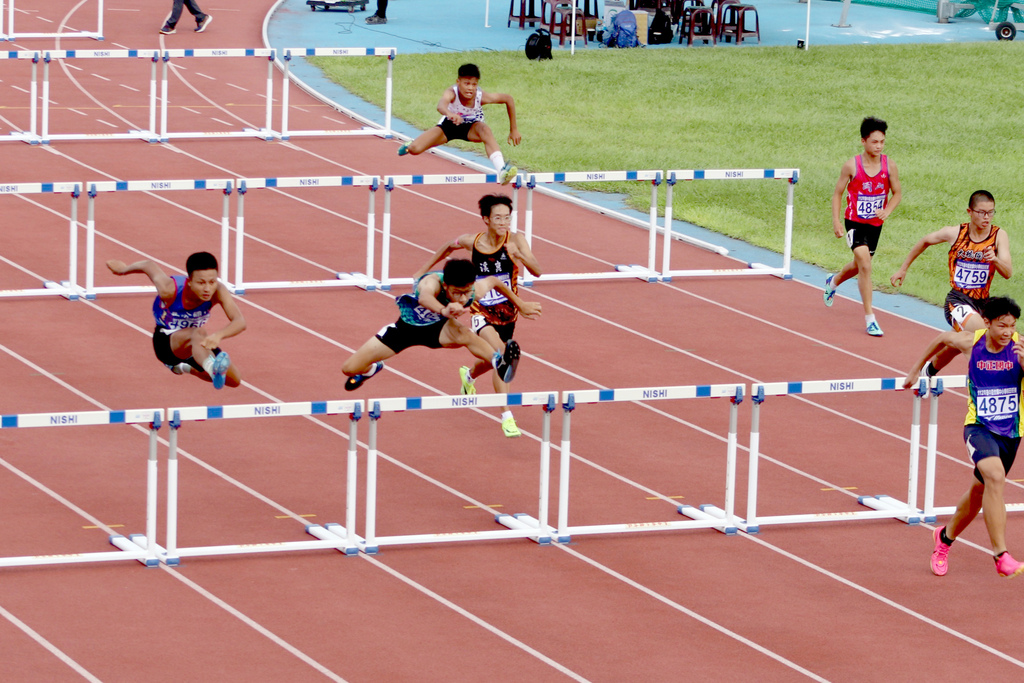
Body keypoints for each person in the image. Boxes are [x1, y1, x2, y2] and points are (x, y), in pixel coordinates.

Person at [902, 296, 1024, 578]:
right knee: (995, 477)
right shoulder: (972, 342)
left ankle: (944, 538)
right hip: (979, 427)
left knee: (978, 495)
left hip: (1011, 433)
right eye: (1002, 326)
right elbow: (942, 339)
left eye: (1012, 326)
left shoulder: (1019, 347)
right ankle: (1001, 556)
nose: (1008, 332)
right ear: (987, 322)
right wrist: (919, 371)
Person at [415, 194, 542, 437]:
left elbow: (538, 271)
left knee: (490, 360)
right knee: (502, 356)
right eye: (498, 218)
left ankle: (469, 374)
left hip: (508, 311)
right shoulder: (473, 242)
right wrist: (422, 270)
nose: (504, 222)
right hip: (480, 309)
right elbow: (449, 246)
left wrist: (518, 255)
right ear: (486, 219)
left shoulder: (516, 239)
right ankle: (507, 417)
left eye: (507, 217)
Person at [342, 258, 541, 392]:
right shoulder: (431, 282)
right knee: (349, 368)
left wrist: (520, 304)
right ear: (446, 286)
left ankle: (500, 362)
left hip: (438, 330)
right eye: (457, 292)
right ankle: (371, 369)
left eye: (467, 291)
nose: (463, 297)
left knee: (464, 333)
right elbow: (425, 297)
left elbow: (494, 281)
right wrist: (444, 310)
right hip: (406, 330)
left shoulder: (473, 290)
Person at [891, 190, 1011, 379]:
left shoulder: (998, 236)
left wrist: (995, 259)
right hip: (957, 301)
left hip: (982, 303)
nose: (986, 217)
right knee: (983, 335)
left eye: (990, 212)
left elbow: (1008, 273)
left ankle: (927, 373)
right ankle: (988, 380)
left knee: (956, 345)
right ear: (969, 212)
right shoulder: (955, 233)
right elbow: (925, 241)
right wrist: (903, 269)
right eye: (981, 212)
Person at [106, 252, 243, 389]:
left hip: (196, 345)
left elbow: (240, 321)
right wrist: (123, 270)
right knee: (198, 333)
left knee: (234, 380)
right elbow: (148, 265)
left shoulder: (218, 291)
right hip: (166, 343)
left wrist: (219, 335)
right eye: (201, 283)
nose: (207, 289)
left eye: (212, 282)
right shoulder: (169, 290)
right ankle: (212, 367)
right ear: (189, 281)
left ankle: (185, 367)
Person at [823, 116, 902, 337]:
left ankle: (834, 280)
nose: (879, 146)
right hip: (854, 222)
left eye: (882, 142)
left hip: (875, 225)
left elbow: (897, 193)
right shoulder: (852, 166)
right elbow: (838, 193)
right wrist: (837, 221)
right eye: (874, 142)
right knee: (865, 265)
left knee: (860, 266)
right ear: (863, 141)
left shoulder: (890, 166)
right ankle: (870, 319)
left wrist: (888, 210)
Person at [398, 63, 521, 186]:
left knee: (485, 130)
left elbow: (508, 99)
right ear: (458, 82)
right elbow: (440, 105)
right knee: (415, 149)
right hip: (449, 127)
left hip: (472, 128)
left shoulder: (481, 96)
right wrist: (450, 114)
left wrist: (513, 129)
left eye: (474, 84)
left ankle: (502, 170)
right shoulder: (451, 92)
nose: (470, 88)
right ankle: (411, 144)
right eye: (466, 84)